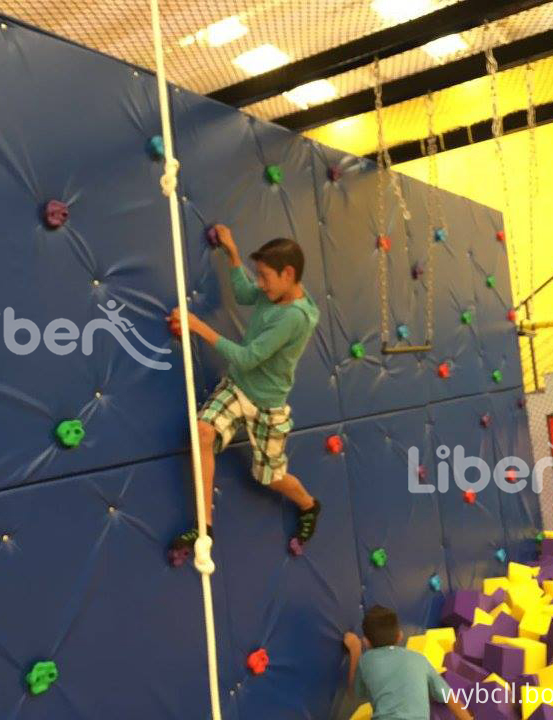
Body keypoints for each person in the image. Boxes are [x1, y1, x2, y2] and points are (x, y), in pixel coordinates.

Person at [167, 224, 321, 558]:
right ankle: (204, 527)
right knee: (203, 432)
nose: (260, 284)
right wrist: (233, 254)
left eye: (265, 277)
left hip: (267, 404)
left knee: (269, 478)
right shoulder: (275, 293)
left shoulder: (294, 317)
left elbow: (248, 358)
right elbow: (243, 294)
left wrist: (198, 327)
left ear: (288, 273)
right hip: (239, 387)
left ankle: (309, 506)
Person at [343, 606, 472, 720]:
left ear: (366, 642)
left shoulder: (366, 661)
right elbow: (451, 700)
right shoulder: (418, 659)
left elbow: (355, 693)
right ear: (400, 636)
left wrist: (355, 650)